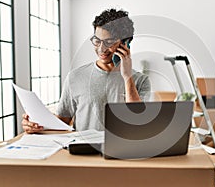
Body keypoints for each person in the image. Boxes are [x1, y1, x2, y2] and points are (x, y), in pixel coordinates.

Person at [22, 8, 151, 133]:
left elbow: (137, 121)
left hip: (124, 151)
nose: (101, 49)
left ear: (125, 43)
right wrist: (36, 125)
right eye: (97, 41)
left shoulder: (141, 80)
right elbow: (62, 121)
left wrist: (127, 77)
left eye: (109, 42)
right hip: (84, 152)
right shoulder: (75, 77)